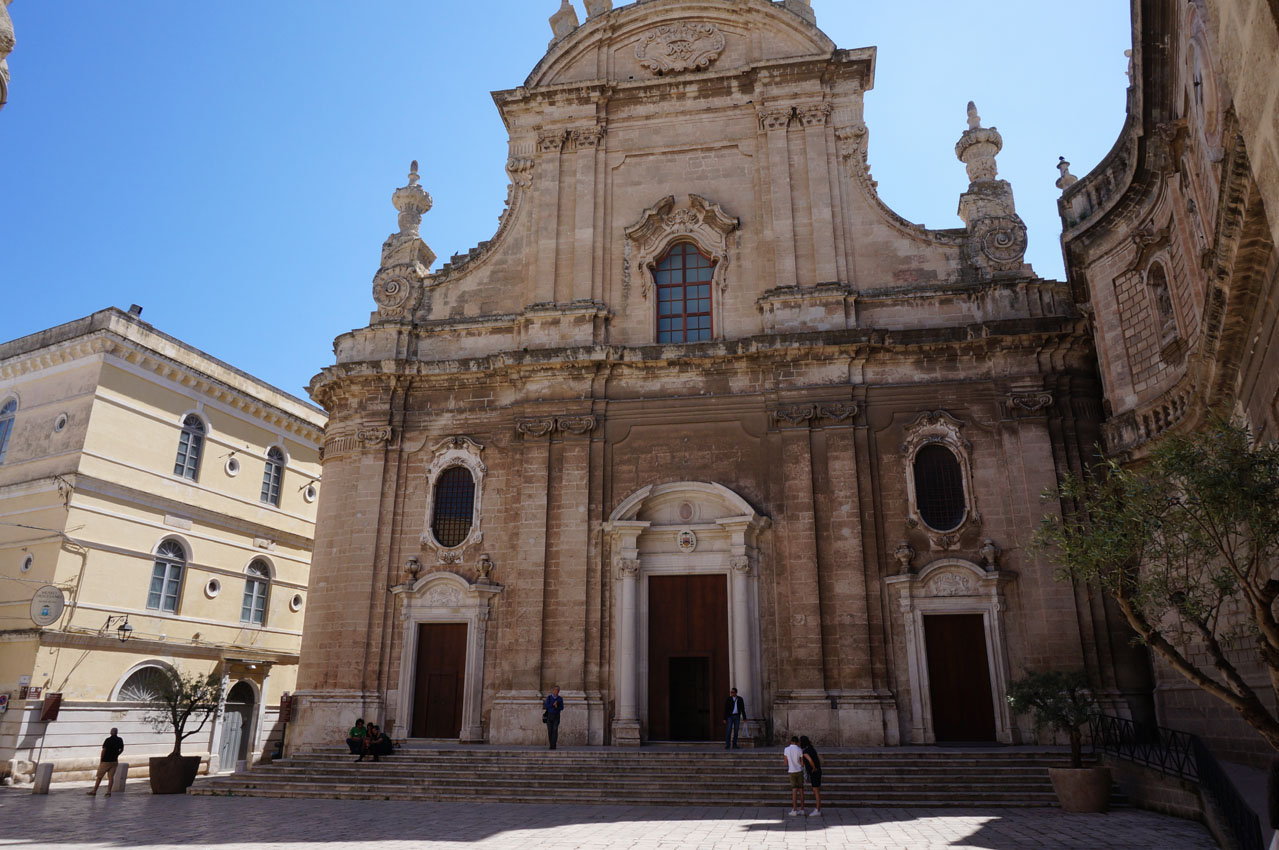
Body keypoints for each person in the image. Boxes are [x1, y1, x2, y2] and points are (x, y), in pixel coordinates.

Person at [87, 727, 124, 797]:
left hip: (106, 761)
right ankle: (109, 792)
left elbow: (104, 750)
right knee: (111, 777)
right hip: (114, 761)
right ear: (116, 732)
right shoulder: (120, 740)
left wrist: (101, 760)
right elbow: (122, 749)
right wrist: (117, 754)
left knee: (99, 777)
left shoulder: (108, 740)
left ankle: (94, 791)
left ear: (111, 732)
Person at [783, 735, 805, 816]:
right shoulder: (799, 750)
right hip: (799, 770)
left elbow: (785, 762)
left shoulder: (786, 749)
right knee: (801, 790)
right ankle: (802, 809)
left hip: (791, 771)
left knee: (794, 791)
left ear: (791, 741)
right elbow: (802, 763)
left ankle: (795, 809)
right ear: (797, 742)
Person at [800, 735, 822, 816]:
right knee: (817, 791)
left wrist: (813, 768)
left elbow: (810, 760)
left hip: (814, 772)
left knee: (816, 791)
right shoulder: (812, 749)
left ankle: (817, 810)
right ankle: (818, 808)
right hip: (817, 771)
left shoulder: (805, 752)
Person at [543, 686, 564, 750]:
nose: (556, 692)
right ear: (553, 690)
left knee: (555, 730)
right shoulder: (549, 698)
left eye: (558, 690)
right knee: (550, 731)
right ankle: (551, 744)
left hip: (556, 716)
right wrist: (553, 704)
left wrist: (557, 706)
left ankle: (553, 745)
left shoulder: (560, 699)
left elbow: (562, 708)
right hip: (549, 716)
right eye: (555, 690)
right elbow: (546, 706)